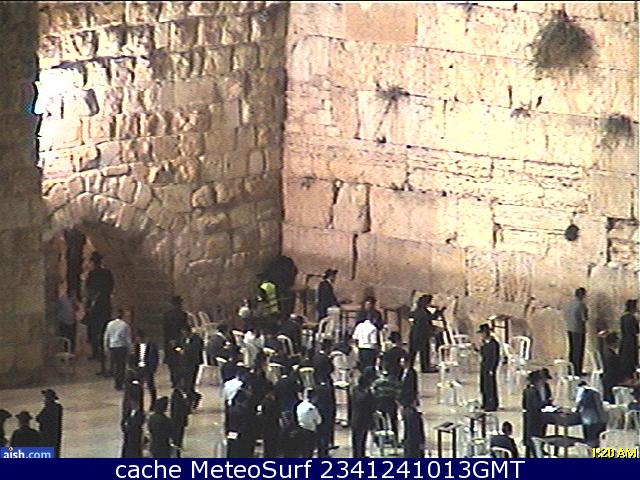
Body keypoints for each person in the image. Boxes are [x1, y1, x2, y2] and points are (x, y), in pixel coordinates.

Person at [84, 251, 114, 375]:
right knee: (103, 331)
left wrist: (89, 302)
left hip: (97, 307)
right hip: (105, 305)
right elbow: (111, 287)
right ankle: (102, 354)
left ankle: (97, 353)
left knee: (94, 331)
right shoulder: (107, 273)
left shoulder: (93, 274)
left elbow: (89, 289)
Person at [162, 295, 189, 388]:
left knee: (172, 362)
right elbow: (184, 328)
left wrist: (170, 340)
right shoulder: (183, 315)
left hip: (169, 340)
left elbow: (165, 329)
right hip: (180, 340)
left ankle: (174, 380)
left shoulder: (166, 315)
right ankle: (179, 379)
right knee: (180, 360)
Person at [103, 309, 133, 391]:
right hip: (121, 347)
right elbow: (127, 339)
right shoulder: (125, 325)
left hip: (112, 346)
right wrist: (130, 349)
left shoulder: (110, 324)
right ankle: (120, 382)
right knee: (121, 366)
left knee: (115, 365)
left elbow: (106, 337)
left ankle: (116, 382)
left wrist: (106, 347)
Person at [129, 329, 159, 410]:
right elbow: (133, 358)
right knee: (138, 388)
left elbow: (155, 358)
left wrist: (153, 368)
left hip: (148, 368)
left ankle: (153, 403)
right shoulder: (136, 347)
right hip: (139, 369)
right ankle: (140, 406)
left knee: (150, 386)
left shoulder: (151, 346)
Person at [408, 295, 438, 373]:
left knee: (414, 352)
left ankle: (410, 367)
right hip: (421, 334)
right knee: (424, 352)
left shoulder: (419, 310)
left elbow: (431, 317)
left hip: (416, 334)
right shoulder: (422, 312)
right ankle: (425, 367)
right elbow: (428, 321)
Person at [177, 326, 204, 411]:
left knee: (189, 384)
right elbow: (180, 346)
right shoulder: (183, 339)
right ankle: (195, 396)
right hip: (184, 364)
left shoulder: (196, 339)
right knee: (184, 385)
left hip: (193, 364)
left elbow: (195, 349)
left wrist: (185, 350)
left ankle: (189, 405)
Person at [564, 287, 588, 376]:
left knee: (572, 349)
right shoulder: (581, 305)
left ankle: (570, 370)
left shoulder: (569, 304)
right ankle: (577, 371)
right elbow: (584, 318)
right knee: (578, 350)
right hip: (578, 330)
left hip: (569, 328)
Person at [522, 371, 547, 457]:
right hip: (533, 417)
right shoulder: (531, 391)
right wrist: (544, 403)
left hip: (536, 416)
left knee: (537, 435)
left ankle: (538, 450)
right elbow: (535, 405)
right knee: (533, 436)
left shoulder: (530, 390)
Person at [576, 381, 607, 447]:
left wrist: (576, 411)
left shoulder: (582, 391)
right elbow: (599, 406)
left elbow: (579, 403)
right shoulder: (594, 392)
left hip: (586, 415)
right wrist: (603, 418)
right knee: (596, 434)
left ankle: (589, 447)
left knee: (588, 433)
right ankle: (595, 447)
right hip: (595, 415)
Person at [351, 375, 375, 457]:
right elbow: (362, 401)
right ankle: (358, 455)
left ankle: (361, 454)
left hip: (362, 418)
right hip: (360, 418)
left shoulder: (358, 390)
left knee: (362, 438)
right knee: (358, 438)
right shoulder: (360, 391)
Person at [478, 323, 499, 412]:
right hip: (484, 366)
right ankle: (485, 402)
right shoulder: (484, 343)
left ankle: (492, 404)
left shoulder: (494, 344)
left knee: (490, 386)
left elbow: (495, 357)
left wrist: (492, 369)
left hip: (490, 367)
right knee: (483, 386)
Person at [35, 389, 63, 457]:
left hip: (49, 437)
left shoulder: (52, 407)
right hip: (51, 436)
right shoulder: (54, 407)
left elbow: (39, 418)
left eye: (46, 397)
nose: (44, 399)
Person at [296, 389, 323, 458]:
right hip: (310, 431)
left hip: (300, 429)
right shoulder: (312, 408)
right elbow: (319, 421)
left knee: (303, 451)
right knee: (309, 452)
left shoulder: (300, 405)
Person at [602, 332, 624, 403]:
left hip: (607, 378)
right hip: (612, 379)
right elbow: (615, 371)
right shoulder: (612, 357)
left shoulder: (606, 352)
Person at [619, 299, 639, 379]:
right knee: (631, 360)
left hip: (624, 341)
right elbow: (636, 330)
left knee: (626, 359)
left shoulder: (623, 317)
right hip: (631, 341)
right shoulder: (632, 318)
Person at [259, 388, 281, 457]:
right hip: (273, 425)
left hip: (266, 425)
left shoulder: (264, 402)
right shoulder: (274, 403)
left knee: (267, 443)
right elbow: (278, 414)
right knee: (272, 443)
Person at [170, 382, 189, 457]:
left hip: (181, 419)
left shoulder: (182, 393)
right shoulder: (176, 394)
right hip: (177, 420)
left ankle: (178, 448)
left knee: (180, 435)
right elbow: (176, 409)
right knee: (177, 436)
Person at [57, 288, 78, 353]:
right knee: (65, 338)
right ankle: (65, 351)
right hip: (64, 321)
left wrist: (74, 303)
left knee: (72, 338)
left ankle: (71, 352)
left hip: (72, 321)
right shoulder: (62, 299)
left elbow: (76, 308)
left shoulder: (73, 299)